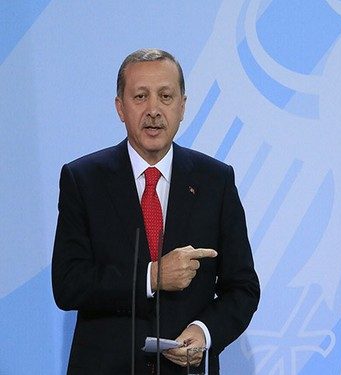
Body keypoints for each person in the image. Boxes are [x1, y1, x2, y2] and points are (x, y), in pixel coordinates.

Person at [52, 48, 260, 374]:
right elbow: (69, 284)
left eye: (165, 96)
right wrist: (152, 276)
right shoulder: (83, 180)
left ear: (182, 106)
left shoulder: (215, 181)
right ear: (120, 107)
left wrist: (205, 333)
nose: (153, 110)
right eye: (140, 97)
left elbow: (243, 287)